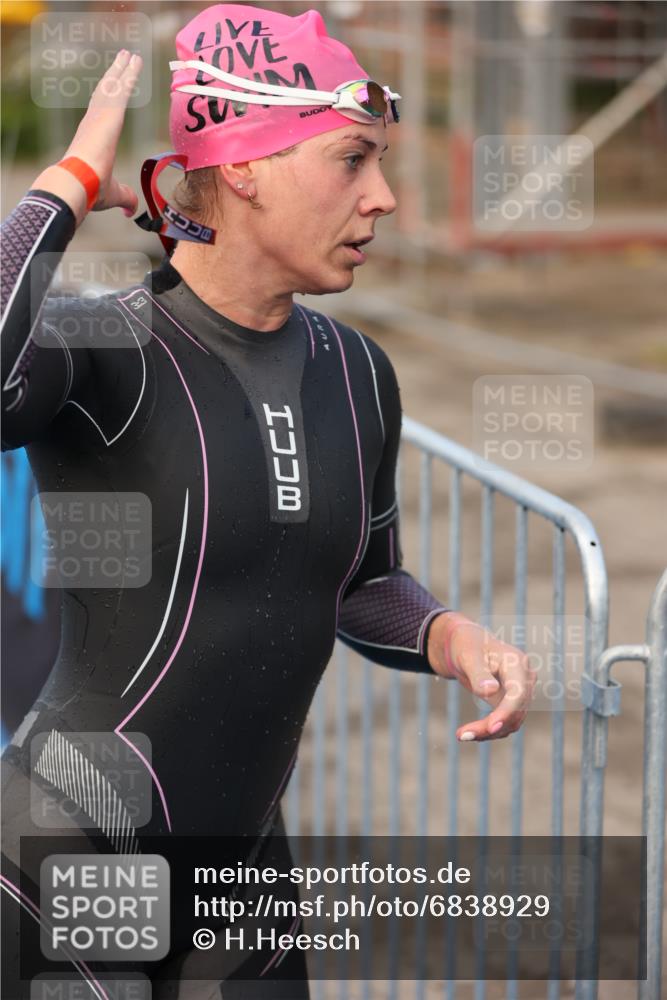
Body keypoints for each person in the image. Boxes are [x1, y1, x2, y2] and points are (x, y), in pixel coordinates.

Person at [1, 6, 535, 997]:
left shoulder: (357, 372)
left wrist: (447, 635)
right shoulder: (108, 348)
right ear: (243, 165)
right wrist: (66, 186)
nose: (382, 198)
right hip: (74, 867)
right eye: (351, 160)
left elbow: (360, 580)